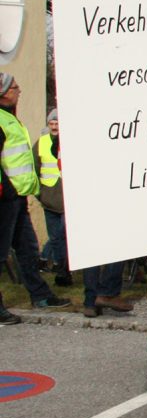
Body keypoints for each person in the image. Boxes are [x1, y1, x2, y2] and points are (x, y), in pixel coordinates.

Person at [0, 73, 70, 324]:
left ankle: (40, 295)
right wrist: (7, 190)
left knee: (28, 249)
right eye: (14, 87)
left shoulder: (10, 119)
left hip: (18, 197)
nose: (19, 90)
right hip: (6, 198)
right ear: (3, 92)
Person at [34, 109, 72, 287]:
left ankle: (64, 269)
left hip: (66, 198)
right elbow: (34, 167)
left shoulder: (69, 142)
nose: (55, 127)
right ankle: (60, 266)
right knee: (55, 237)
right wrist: (39, 193)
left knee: (64, 235)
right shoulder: (41, 143)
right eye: (52, 124)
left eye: (57, 124)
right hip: (49, 197)